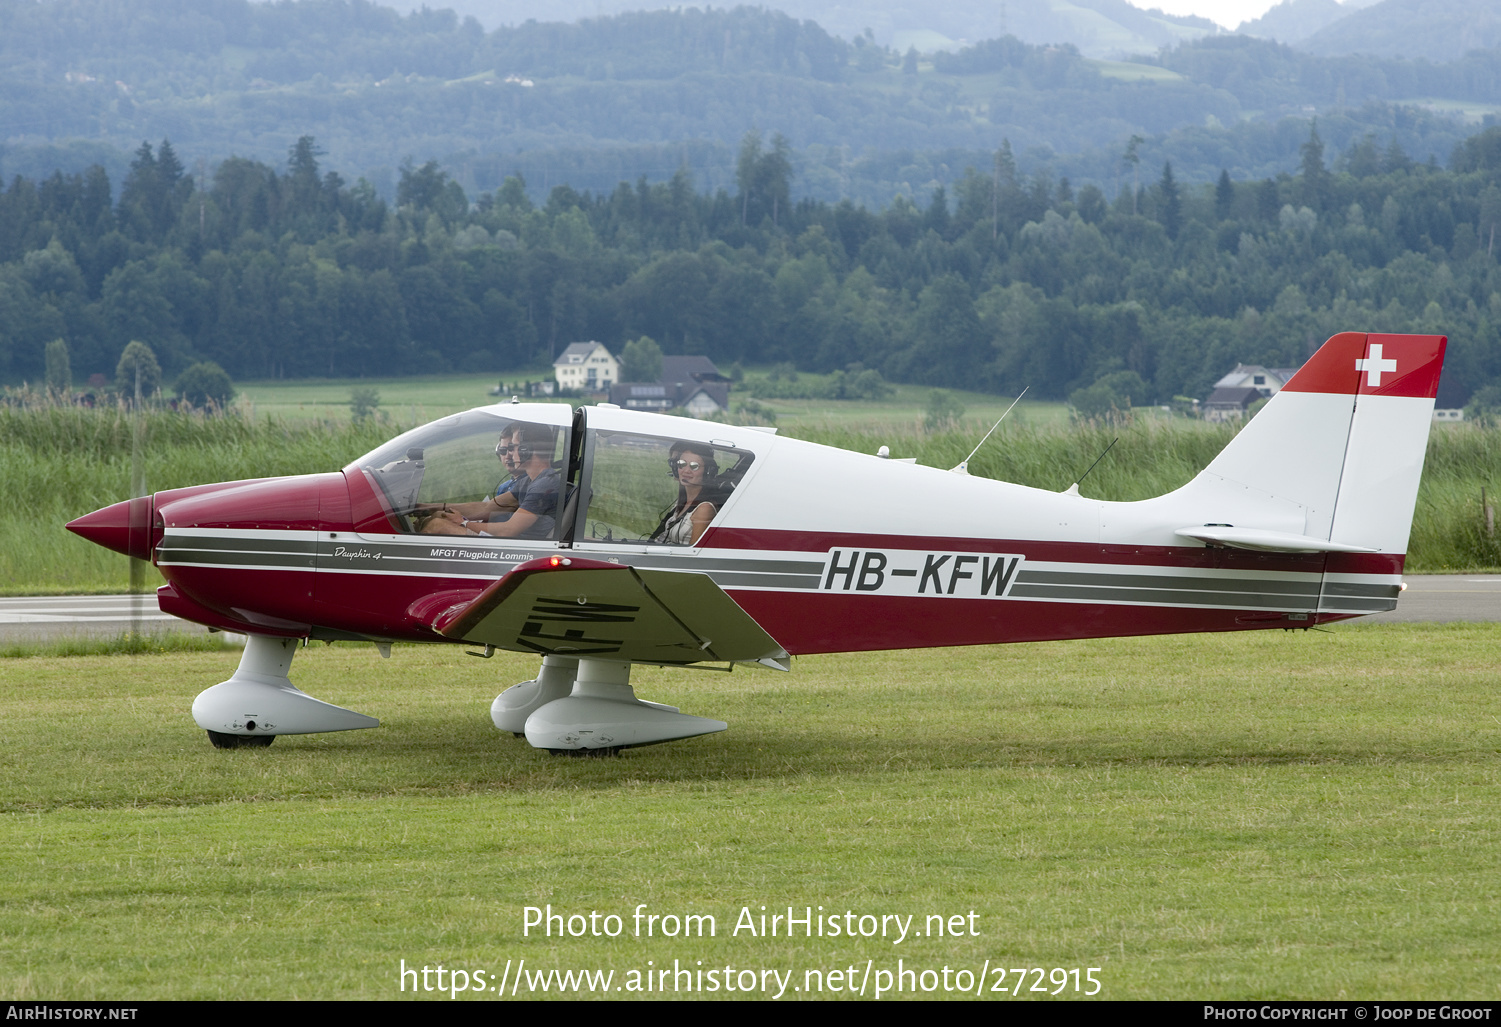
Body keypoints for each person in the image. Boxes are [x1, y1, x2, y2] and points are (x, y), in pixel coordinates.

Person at [422, 423, 561, 539]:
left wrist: (463, 523)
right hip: (511, 546)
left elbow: (508, 530)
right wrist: (428, 507)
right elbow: (486, 507)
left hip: (515, 552)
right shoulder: (528, 482)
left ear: (527, 449)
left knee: (437, 526)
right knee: (438, 516)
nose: (510, 454)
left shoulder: (545, 485)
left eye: (513, 447)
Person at [651, 442, 722, 546]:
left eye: (694, 466)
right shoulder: (681, 503)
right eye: (681, 464)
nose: (686, 470)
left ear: (707, 471)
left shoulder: (704, 509)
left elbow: (693, 555)